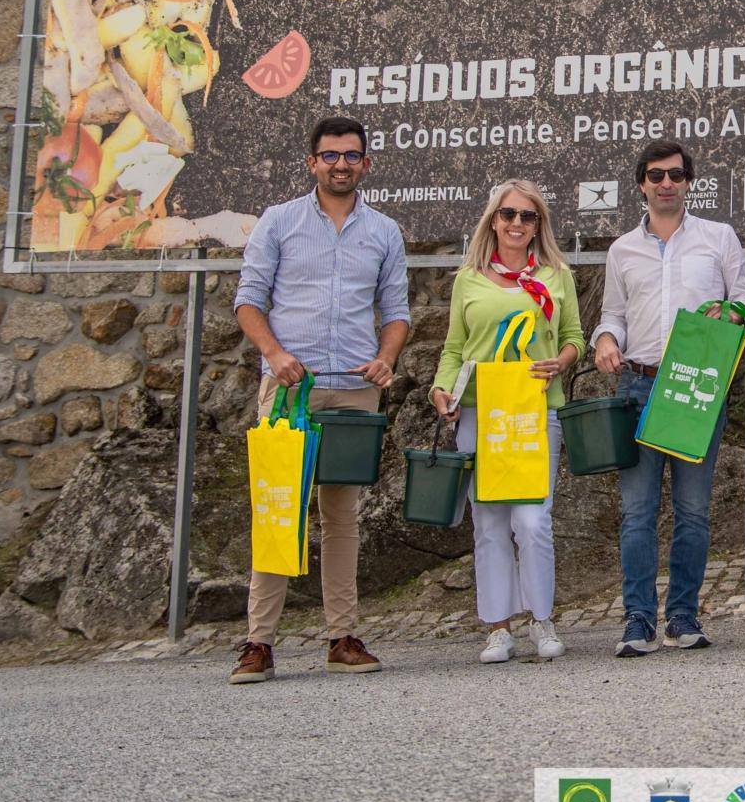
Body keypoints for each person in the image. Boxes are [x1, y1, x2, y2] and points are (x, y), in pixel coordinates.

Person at [229, 115, 410, 683]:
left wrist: (387, 358)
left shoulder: (385, 232)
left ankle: (342, 636)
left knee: (341, 516)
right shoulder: (278, 223)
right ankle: (258, 643)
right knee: (278, 511)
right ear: (312, 163)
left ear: (366, 164)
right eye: (330, 155)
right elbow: (248, 302)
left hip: (355, 389)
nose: (340, 164)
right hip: (289, 390)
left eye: (351, 156)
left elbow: (397, 313)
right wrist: (275, 354)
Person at [591, 139, 745, 657]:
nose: (666, 183)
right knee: (637, 513)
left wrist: (732, 314)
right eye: (656, 175)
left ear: (689, 182)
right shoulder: (622, 250)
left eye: (676, 175)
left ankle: (683, 616)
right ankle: (638, 619)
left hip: (697, 385)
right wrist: (606, 341)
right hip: (638, 385)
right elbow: (611, 314)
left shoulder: (719, 237)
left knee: (694, 511)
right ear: (641, 183)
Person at [429, 181, 584, 664]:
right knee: (490, 524)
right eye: (508, 214)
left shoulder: (556, 275)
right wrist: (441, 390)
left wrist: (561, 362)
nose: (517, 223)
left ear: (539, 224)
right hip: (478, 411)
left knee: (533, 521)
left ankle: (541, 618)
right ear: (493, 221)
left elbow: (574, 336)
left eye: (528, 216)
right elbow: (455, 348)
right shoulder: (468, 279)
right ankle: (498, 627)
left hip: (537, 410)